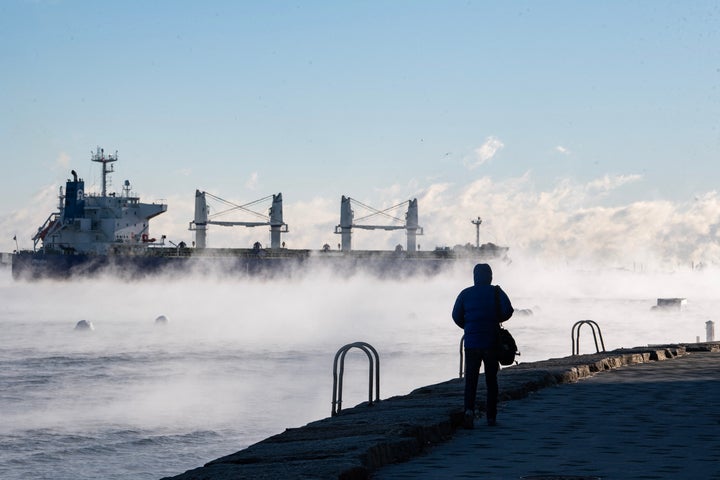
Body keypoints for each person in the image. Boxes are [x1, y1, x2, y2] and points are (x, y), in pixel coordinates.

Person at [452, 263, 513, 428]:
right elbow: (508, 310)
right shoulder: (496, 292)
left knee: (470, 380)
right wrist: (496, 319)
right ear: (490, 276)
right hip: (492, 341)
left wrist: (468, 327)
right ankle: (491, 417)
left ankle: (469, 412)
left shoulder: (465, 294)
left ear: (474, 276)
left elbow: (456, 315)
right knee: (491, 380)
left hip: (471, 343)